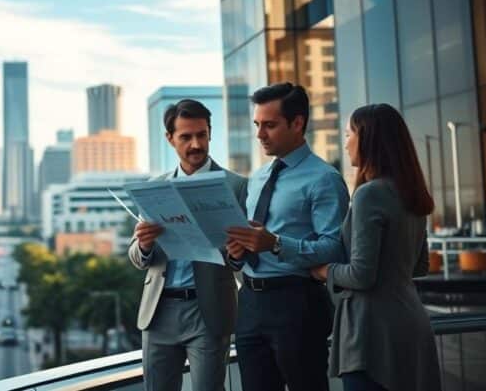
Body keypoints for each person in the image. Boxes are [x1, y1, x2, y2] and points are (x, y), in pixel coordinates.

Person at [224, 82, 349, 391]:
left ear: (297, 123)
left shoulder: (325, 179)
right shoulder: (257, 177)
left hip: (297, 303)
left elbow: (335, 249)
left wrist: (276, 244)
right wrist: (238, 250)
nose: (259, 134)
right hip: (250, 303)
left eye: (269, 125)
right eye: (257, 125)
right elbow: (251, 239)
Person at [310, 104, 441, 391]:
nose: (345, 143)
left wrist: (322, 271)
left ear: (367, 138)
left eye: (348, 134)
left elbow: (361, 275)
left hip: (372, 333)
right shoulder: (411, 192)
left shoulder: (370, 194)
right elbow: (420, 267)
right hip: (412, 325)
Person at [129, 99, 248, 391]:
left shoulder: (237, 186)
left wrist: (238, 254)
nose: (196, 144)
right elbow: (136, 256)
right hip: (159, 311)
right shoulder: (155, 187)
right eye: (186, 137)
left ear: (210, 133)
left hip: (208, 310)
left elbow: (246, 257)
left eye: (202, 135)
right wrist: (144, 245)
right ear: (170, 139)